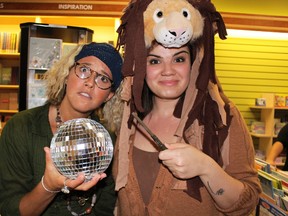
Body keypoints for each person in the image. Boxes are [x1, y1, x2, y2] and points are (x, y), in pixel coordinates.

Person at [103, 0, 262, 215]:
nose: (168, 71)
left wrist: (206, 167)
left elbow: (247, 202)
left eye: (178, 59)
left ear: (193, 64)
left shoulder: (222, 117)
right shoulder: (128, 119)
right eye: (154, 61)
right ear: (140, 66)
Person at [0, 42, 123, 216]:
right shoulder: (21, 127)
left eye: (103, 78)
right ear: (67, 74)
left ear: (109, 95)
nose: (90, 82)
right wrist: (48, 186)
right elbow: (10, 209)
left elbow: (105, 208)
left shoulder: (108, 142)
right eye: (84, 70)